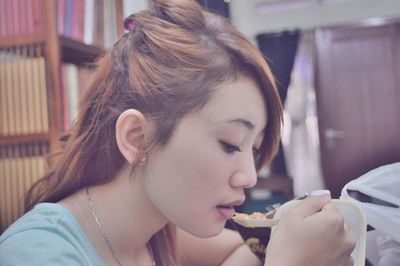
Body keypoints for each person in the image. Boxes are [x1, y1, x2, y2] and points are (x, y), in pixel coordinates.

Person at [0, 0, 356, 265]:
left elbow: (239, 251)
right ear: (137, 138)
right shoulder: (35, 254)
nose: (249, 176)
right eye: (230, 143)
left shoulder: (160, 229)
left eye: (255, 148)